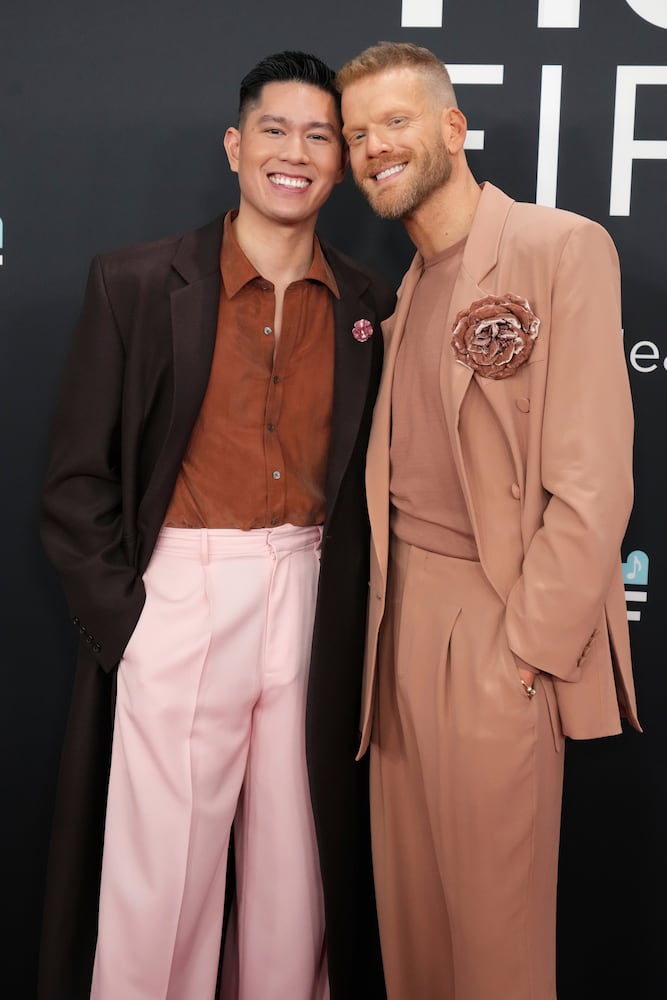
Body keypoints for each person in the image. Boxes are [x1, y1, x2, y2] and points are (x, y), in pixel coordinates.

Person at [38, 50, 394, 1000]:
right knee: (163, 880)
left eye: (321, 136)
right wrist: (133, 625)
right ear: (236, 146)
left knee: (299, 874)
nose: (297, 152)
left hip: (314, 591)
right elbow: (75, 484)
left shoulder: (369, 302)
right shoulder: (140, 281)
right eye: (275, 130)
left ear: (340, 163)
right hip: (182, 593)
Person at [336, 41, 640, 1000]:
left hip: (495, 624)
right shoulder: (404, 292)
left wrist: (524, 651)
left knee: (495, 941)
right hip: (396, 628)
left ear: (453, 128)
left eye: (394, 121)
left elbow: (591, 485)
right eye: (355, 135)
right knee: (412, 925)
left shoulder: (559, 247)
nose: (373, 147)